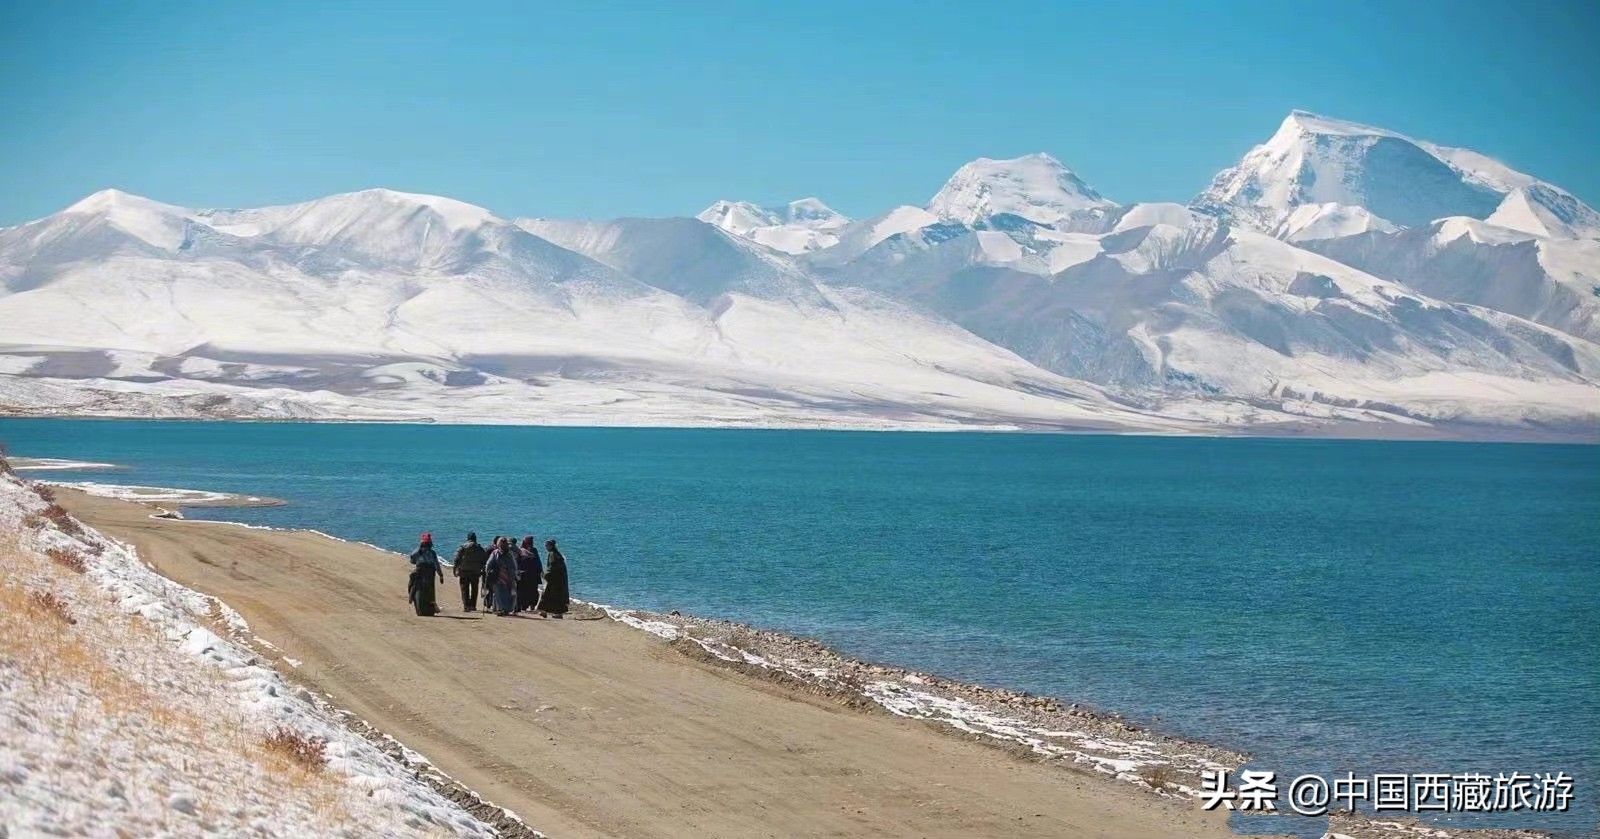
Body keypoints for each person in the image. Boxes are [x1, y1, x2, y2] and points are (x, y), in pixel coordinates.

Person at [407, 533, 444, 616]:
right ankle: (431, 606)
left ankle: (411, 597)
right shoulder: (432, 553)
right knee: (431, 591)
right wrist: (441, 575)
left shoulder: (417, 551)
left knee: (411, 584)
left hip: (419, 571)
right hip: (430, 574)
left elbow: (412, 559)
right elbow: (436, 565)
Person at [483, 536, 518, 617]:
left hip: (500, 576)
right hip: (505, 576)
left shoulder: (496, 553)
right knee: (503, 593)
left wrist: (487, 571)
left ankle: (501, 609)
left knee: (499, 593)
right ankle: (503, 609)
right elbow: (514, 566)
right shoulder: (508, 554)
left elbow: (489, 563)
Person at [452, 532, 487, 612]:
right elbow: (484, 560)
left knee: (464, 589)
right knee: (474, 589)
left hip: (464, 571)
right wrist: (482, 570)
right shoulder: (479, 548)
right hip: (475, 572)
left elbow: (456, 559)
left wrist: (455, 569)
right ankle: (473, 606)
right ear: (475, 538)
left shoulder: (463, 547)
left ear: (467, 538)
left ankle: (466, 606)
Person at [536, 538, 569, 618]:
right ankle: (558, 613)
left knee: (546, 594)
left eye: (546, 546)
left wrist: (544, 575)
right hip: (560, 579)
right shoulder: (558, 554)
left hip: (553, 579)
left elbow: (551, 567)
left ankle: (543, 611)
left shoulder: (552, 554)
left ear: (550, 546)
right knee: (558, 596)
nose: (546, 548)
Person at [515, 536, 542, 612]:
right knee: (526, 590)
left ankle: (530, 605)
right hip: (527, 574)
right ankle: (526, 606)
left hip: (530, 574)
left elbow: (537, 562)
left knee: (530, 590)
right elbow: (537, 562)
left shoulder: (530, 550)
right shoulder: (522, 550)